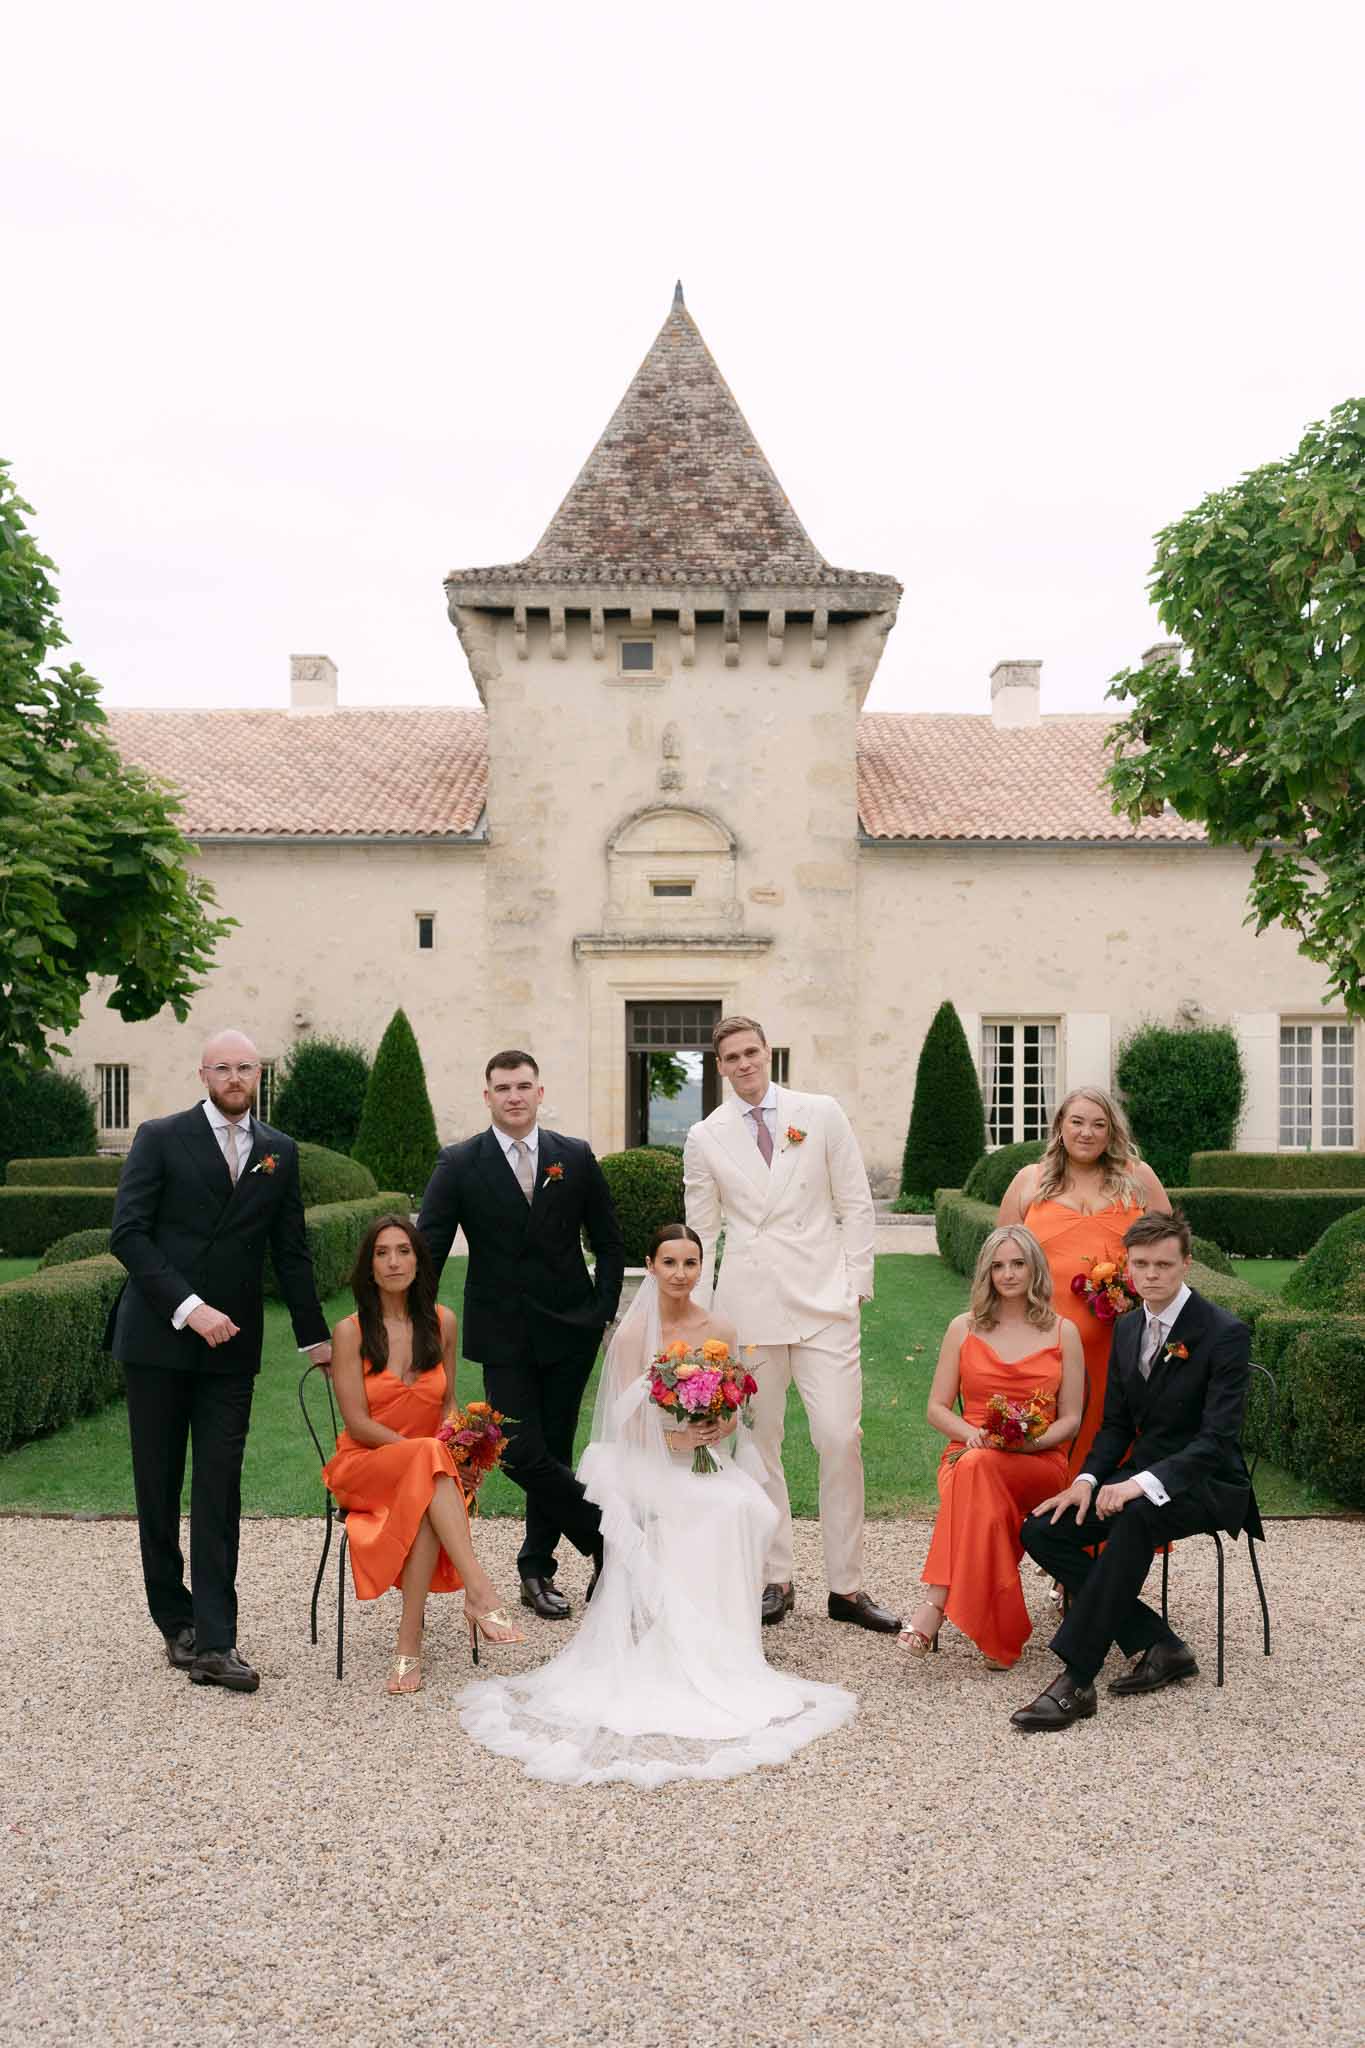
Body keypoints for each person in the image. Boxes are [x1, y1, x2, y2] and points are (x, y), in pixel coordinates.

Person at [457, 1224, 856, 1786]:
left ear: (701, 1269)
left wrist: (720, 1421)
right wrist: (670, 1441)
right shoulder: (632, 1334)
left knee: (739, 1508)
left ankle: (724, 1649)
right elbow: (620, 1419)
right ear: (651, 1265)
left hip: (703, 1455)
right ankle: (670, 1641)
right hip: (648, 1460)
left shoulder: (719, 1328)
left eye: (691, 1263)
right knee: (691, 1510)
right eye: (669, 1262)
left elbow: (739, 1404)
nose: (680, 1273)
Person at [108, 1029, 331, 1692]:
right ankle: (173, 1621)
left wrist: (315, 1337)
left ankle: (215, 1640)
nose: (234, 1077)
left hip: (232, 1349)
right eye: (223, 1067)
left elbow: (290, 1251)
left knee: (219, 1487)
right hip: (157, 1338)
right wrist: (189, 1307)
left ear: (259, 1075)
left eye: (245, 1068)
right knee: (158, 1485)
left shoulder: (278, 1153)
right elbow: (129, 1234)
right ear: (204, 1073)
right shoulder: (158, 1136)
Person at [683, 1016, 898, 1633]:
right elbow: (703, 1228)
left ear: (767, 1054)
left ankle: (847, 1587)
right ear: (719, 1067)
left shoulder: (821, 1112)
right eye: (731, 1058)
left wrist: (857, 1283)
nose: (744, 1064)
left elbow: (855, 1201)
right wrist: (698, 1313)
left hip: (826, 1302)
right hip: (749, 1309)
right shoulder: (706, 1136)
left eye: (752, 1052)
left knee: (839, 1437)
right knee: (759, 1443)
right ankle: (777, 1577)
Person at [1010, 1209, 1261, 1732]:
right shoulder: (1127, 1327)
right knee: (1041, 1528)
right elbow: (1116, 1427)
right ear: (1128, 1266)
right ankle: (1159, 1643)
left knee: (1135, 1518)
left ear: (1186, 1264)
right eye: (1141, 1264)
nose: (1151, 1275)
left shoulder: (1224, 1333)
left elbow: (1216, 1442)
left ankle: (1076, 1679)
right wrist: (1085, 1483)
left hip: (1211, 1483)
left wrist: (1136, 1485)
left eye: (1164, 1265)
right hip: (1141, 1475)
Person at [416, 1051, 625, 1620]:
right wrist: (411, 1318)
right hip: (502, 1330)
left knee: (553, 1449)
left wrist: (601, 1310)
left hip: (570, 1329)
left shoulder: (574, 1157)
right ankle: (608, 1538)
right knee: (514, 1449)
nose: (514, 1095)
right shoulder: (459, 1163)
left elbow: (608, 1242)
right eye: (502, 1087)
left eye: (523, 1086)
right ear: (487, 1096)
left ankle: (537, 1568)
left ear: (539, 1092)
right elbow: (428, 1248)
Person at [321, 1215, 524, 1692]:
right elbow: (358, 1424)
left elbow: (449, 1403)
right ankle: (480, 1592)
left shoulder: (443, 1321)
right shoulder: (349, 1331)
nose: (394, 1262)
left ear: (418, 1260)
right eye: (382, 1253)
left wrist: (463, 1454)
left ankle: (408, 1643)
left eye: (404, 1251)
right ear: (368, 1267)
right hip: (364, 1464)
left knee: (429, 1489)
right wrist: (432, 1452)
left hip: (426, 1470)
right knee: (429, 1466)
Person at [899, 1227, 1084, 1668]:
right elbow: (936, 1408)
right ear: (986, 1273)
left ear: (1035, 1267)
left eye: (1018, 1263)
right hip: (970, 1451)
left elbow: (1072, 1418)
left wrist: (1030, 1442)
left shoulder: (1064, 1331)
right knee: (976, 1468)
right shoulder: (963, 1328)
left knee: (976, 1474)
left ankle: (936, 1602)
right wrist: (971, 1434)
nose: (1008, 1273)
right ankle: (997, 1633)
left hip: (1040, 1461)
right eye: (998, 1265)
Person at [997, 1089, 1170, 1478]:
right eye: (1076, 1122)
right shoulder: (1030, 1181)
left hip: (1123, 1344)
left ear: (1111, 1132)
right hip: (1045, 1341)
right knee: (1048, 1439)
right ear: (1060, 1127)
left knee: (1121, 1437)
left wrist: (1139, 1291)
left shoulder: (1137, 1177)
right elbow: (999, 1261)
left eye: (1098, 1124)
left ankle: (1120, 1536)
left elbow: (1171, 1250)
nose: (1086, 1133)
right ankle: (1048, 1532)